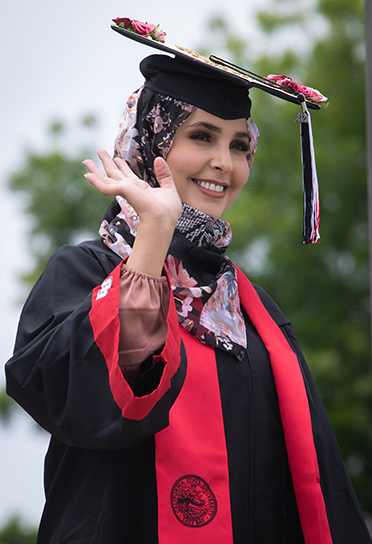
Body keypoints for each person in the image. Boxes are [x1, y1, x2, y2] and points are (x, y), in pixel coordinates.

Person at [5, 43, 372, 544]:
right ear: (151, 140)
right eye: (202, 137)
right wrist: (155, 232)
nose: (225, 163)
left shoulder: (251, 311)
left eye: (240, 145)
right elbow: (92, 406)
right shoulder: (84, 273)